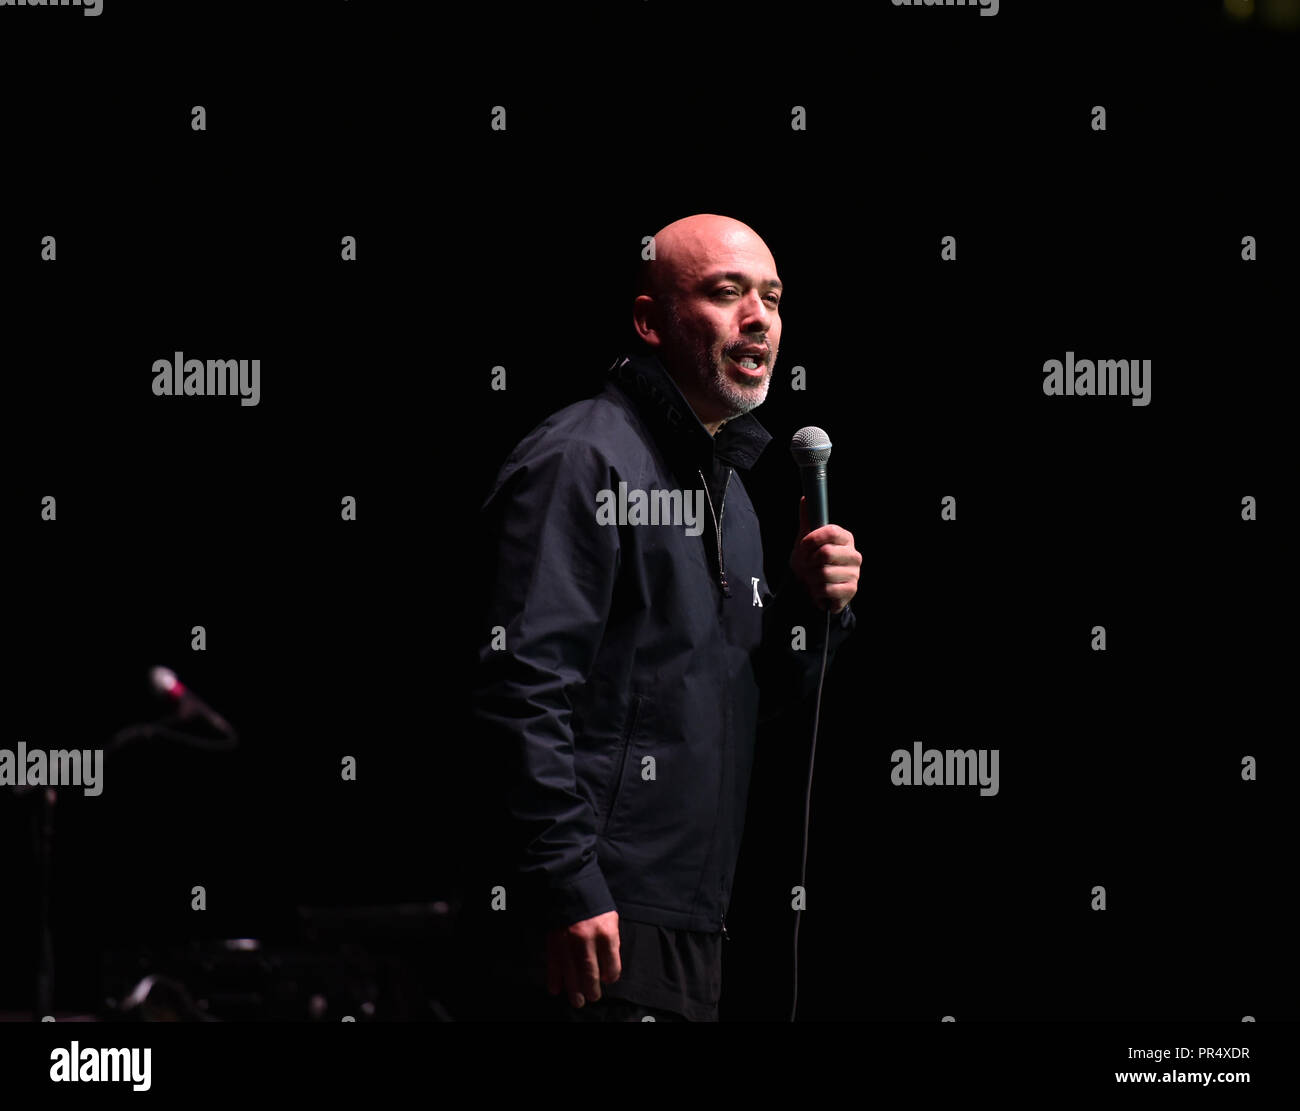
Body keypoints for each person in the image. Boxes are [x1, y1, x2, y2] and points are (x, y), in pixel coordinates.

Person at [461, 213, 861, 1022]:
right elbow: (521, 686)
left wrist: (808, 610)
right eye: (727, 293)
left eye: (773, 298)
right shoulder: (582, 459)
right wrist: (567, 882)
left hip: (691, 917)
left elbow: (735, 691)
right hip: (596, 917)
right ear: (651, 321)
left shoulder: (734, 495)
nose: (759, 318)